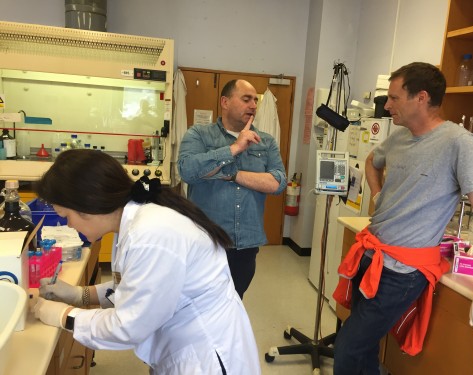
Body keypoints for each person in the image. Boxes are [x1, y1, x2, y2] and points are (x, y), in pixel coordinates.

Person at [333, 62, 473, 374]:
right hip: (371, 257)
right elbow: (372, 160)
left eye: (395, 97)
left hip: (403, 272)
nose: (387, 105)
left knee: (347, 346)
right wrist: (377, 193)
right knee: (363, 345)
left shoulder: (458, 143)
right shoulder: (399, 138)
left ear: (421, 98)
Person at [33, 149, 261, 375]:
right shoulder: (135, 218)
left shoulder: (151, 234)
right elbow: (137, 286)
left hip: (205, 356)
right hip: (180, 343)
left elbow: (127, 327)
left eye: (66, 216)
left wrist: (65, 315)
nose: (69, 226)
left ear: (88, 206)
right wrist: (80, 294)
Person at [178, 79, 287, 299]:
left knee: (234, 302)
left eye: (255, 100)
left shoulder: (265, 142)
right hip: (205, 242)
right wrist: (235, 148)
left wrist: (232, 175)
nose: (253, 105)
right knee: (197, 305)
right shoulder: (199, 135)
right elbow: (188, 171)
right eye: (246, 99)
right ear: (225, 102)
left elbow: (277, 182)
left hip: (245, 244)